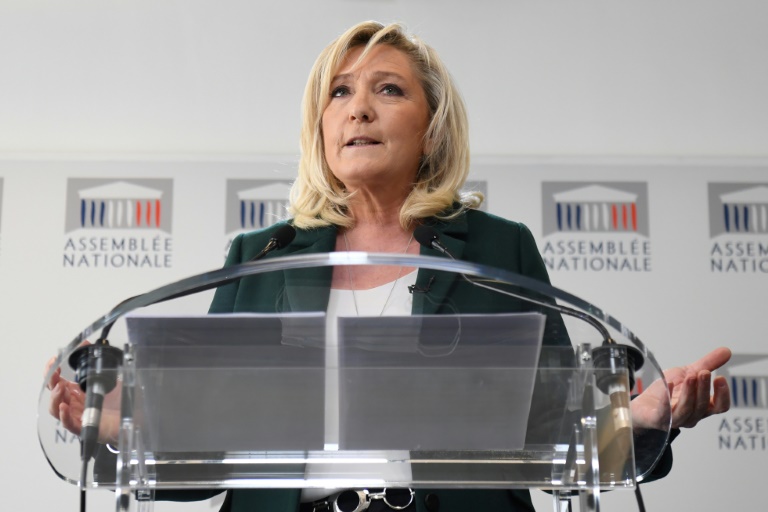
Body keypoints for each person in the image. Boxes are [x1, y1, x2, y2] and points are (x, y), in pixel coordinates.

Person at [48, 20, 731, 512]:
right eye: (339, 93)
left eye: (388, 90)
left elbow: (556, 445)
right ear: (320, 128)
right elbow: (203, 462)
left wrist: (640, 422)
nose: (360, 110)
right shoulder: (259, 258)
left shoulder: (498, 250)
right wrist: (120, 429)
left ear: (431, 128)